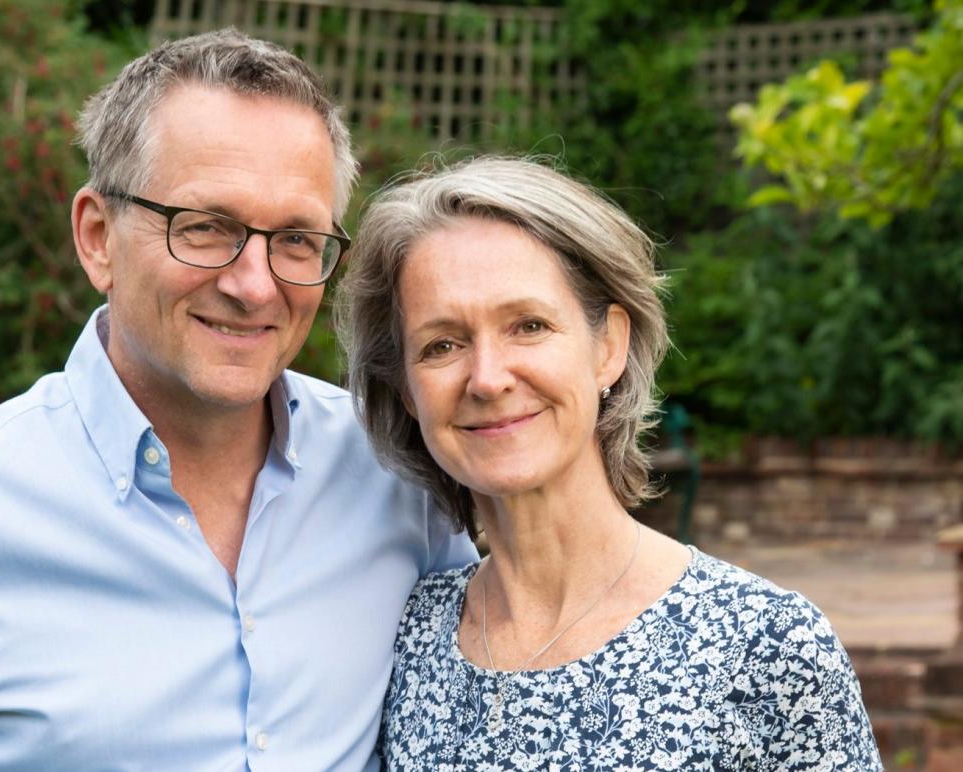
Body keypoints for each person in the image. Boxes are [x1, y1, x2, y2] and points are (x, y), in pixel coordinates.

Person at [0, 29, 475, 771]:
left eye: (294, 240)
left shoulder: (396, 473)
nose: (255, 285)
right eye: (206, 227)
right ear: (97, 238)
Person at [336, 157, 881, 770]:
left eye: (528, 326)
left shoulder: (768, 648)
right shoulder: (406, 636)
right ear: (407, 390)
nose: (487, 378)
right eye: (443, 345)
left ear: (608, 347)